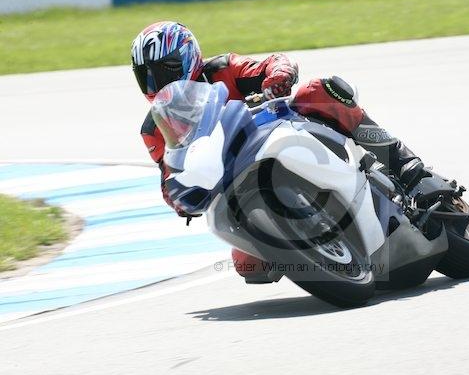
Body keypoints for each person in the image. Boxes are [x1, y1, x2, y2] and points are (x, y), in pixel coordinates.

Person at [131, 21, 423, 283]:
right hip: (235, 183)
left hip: (278, 132)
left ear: (188, 57)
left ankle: (402, 162)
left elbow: (274, 62)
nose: (157, 82)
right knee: (249, 264)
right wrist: (178, 195)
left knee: (319, 91)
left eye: (164, 70)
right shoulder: (155, 127)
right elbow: (169, 172)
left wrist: (278, 76)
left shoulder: (222, 69)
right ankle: (321, 251)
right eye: (147, 75)